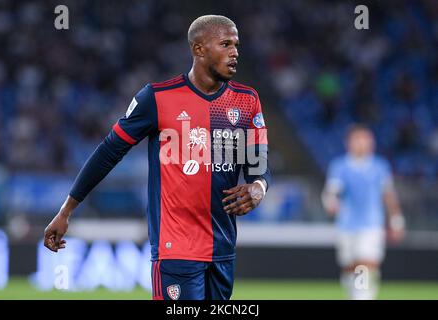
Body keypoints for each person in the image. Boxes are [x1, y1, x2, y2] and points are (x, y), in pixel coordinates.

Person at [44, 15, 270, 300]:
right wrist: (66, 210)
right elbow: (109, 152)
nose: (235, 52)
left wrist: (259, 187)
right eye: (225, 44)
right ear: (199, 49)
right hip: (176, 249)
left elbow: (257, 164)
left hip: (223, 250)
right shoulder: (157, 98)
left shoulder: (246, 100)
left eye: (236, 44)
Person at [321, 124, 405, 300]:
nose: (363, 143)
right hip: (346, 225)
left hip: (371, 224)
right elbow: (332, 192)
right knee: (349, 267)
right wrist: (330, 202)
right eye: (358, 139)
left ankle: (363, 296)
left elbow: (388, 195)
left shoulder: (380, 166)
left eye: (366, 139)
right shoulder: (340, 166)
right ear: (349, 142)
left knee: (365, 262)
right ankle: (358, 293)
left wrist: (396, 220)